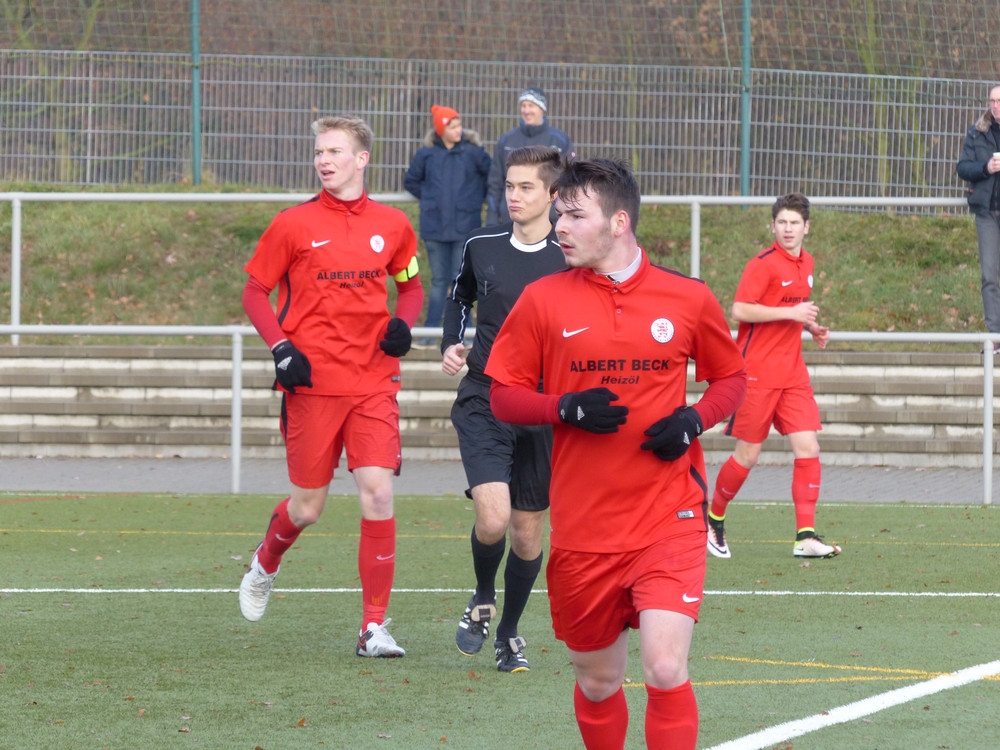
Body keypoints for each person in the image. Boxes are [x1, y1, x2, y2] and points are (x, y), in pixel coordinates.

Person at [485, 158, 747, 749]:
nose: (560, 226)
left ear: (619, 221)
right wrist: (565, 408)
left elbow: (731, 379)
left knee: (664, 667)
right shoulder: (542, 299)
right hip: (584, 529)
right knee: (599, 681)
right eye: (559, 214)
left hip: (668, 516)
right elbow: (502, 395)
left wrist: (693, 420)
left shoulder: (686, 296)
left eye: (575, 215)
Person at [238, 114, 424, 659]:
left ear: (361, 159)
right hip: (312, 385)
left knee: (378, 492)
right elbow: (254, 292)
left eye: (335, 151)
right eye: (319, 151)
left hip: (373, 381)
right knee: (307, 507)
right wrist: (281, 348)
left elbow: (411, 287)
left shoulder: (393, 224)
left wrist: (403, 324)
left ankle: (373, 627)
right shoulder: (292, 224)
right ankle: (265, 562)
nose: (323, 160)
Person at [441, 145, 566, 673]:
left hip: (543, 409)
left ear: (553, 195)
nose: (513, 196)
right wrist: (451, 342)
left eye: (526, 187)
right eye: (509, 186)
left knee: (527, 532)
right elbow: (458, 296)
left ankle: (509, 631)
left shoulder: (571, 254)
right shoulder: (481, 244)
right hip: (485, 397)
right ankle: (482, 595)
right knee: (492, 519)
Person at [706, 192, 840, 561]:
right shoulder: (762, 265)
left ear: (806, 227)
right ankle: (713, 519)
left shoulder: (807, 262)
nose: (788, 229)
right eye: (782, 222)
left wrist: (811, 327)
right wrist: (793, 315)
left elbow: (793, 309)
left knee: (808, 448)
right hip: (757, 373)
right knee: (748, 454)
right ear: (773, 226)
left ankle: (805, 536)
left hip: (792, 373)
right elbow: (740, 310)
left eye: (794, 223)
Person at [404, 104, 491, 343]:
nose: (458, 130)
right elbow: (411, 180)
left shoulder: (474, 153)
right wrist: (430, 198)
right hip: (435, 228)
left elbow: (492, 177)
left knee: (462, 280)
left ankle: (466, 334)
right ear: (441, 130)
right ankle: (430, 334)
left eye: (459, 125)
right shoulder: (427, 154)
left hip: (465, 227)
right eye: (452, 126)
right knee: (439, 281)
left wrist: (476, 198)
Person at [485, 86, 574, 225]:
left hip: (550, 219)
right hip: (511, 219)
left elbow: (569, 180)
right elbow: (495, 182)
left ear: (542, 108)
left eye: (531, 105)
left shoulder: (560, 140)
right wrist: (492, 218)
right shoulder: (507, 140)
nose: (526, 110)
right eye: (523, 105)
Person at [957, 85, 1000, 343]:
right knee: (989, 276)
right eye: (992, 100)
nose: (995, 105)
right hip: (986, 214)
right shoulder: (977, 132)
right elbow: (962, 168)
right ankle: (996, 336)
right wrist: (986, 168)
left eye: (999, 101)